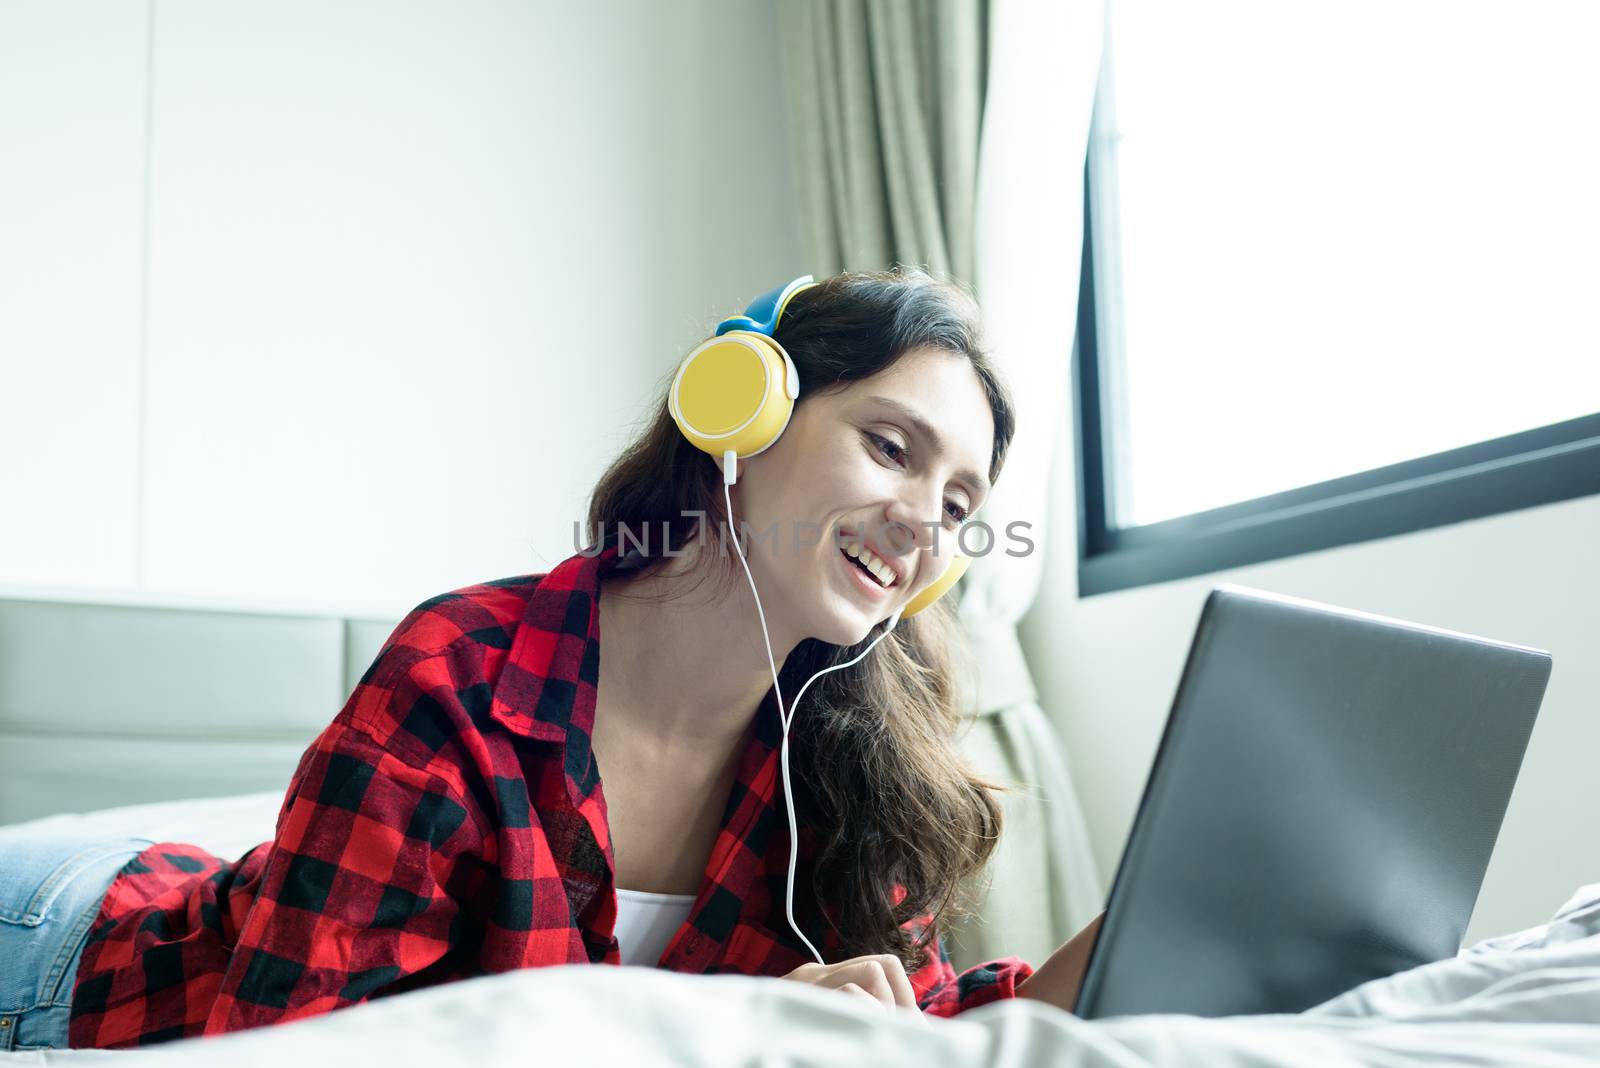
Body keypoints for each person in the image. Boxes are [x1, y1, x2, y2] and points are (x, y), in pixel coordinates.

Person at [0, 268, 1101, 1052]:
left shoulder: (855, 757)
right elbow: (297, 1045)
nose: (921, 521)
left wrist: (1126, 943)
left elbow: (920, 1016)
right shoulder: (460, 674)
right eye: (889, 447)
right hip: (64, 954)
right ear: (743, 414)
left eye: (959, 504)